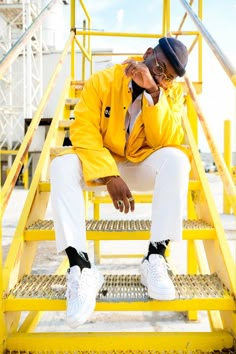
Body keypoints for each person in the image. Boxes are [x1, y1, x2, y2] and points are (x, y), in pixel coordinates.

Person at [50, 36, 191, 328]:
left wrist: (154, 93)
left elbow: (166, 141)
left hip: (140, 164)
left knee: (178, 160)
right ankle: (81, 267)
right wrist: (109, 174)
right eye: (159, 67)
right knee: (62, 166)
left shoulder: (171, 94)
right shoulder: (103, 80)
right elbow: (83, 130)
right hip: (103, 162)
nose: (160, 76)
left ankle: (155, 257)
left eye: (167, 77)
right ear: (149, 53)